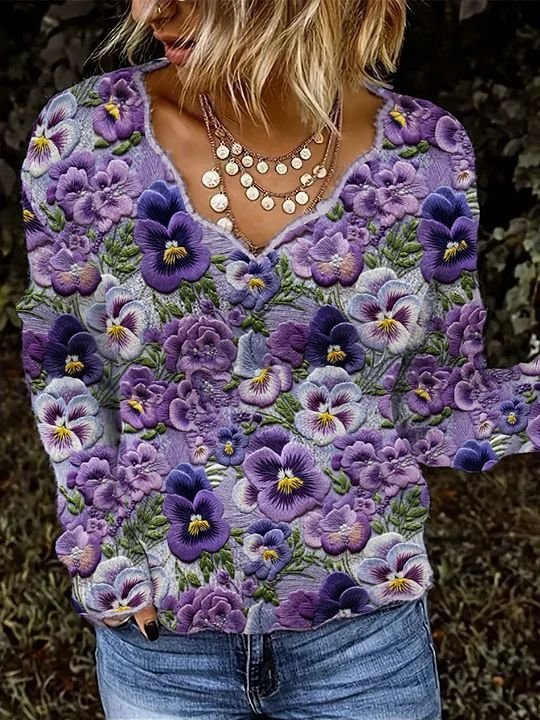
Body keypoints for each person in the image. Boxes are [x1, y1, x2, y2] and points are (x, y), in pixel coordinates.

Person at [15, 0, 540, 718]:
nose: (151, 9)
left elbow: (437, 406)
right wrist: (103, 560)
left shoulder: (425, 156)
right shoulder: (85, 140)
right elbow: (67, 370)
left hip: (363, 651)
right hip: (166, 656)